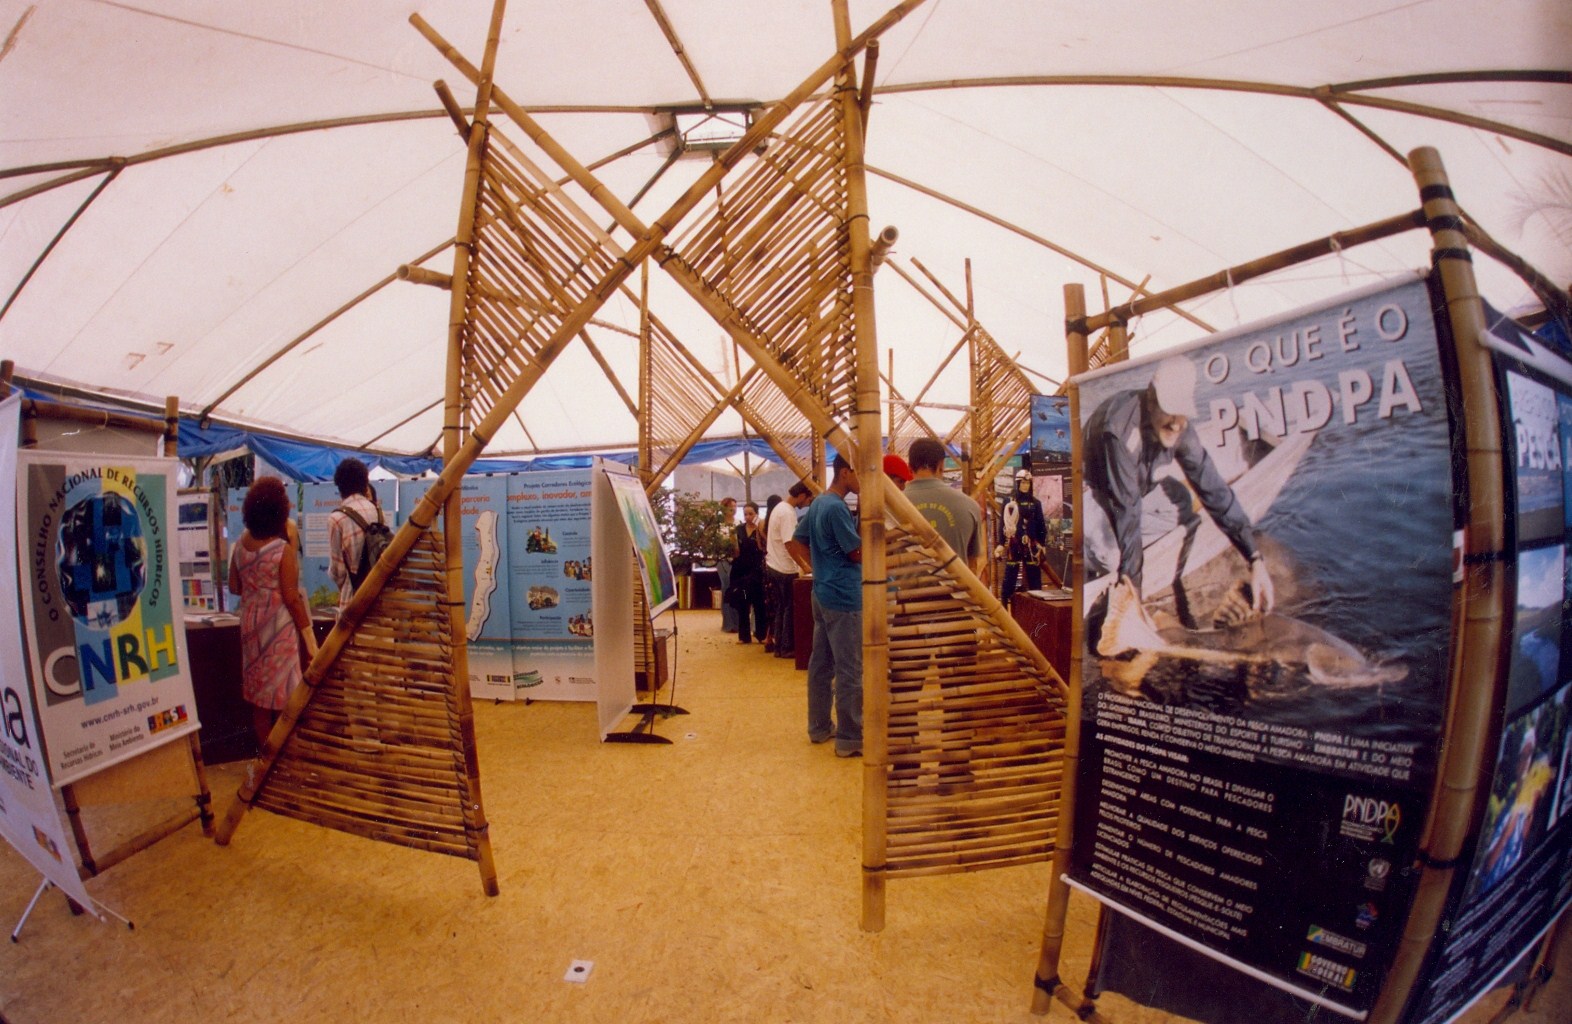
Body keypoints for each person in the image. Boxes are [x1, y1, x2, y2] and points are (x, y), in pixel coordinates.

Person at [1083, 354, 1273, 624]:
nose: (1175, 423)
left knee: (1183, 500)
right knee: (1112, 556)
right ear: (1151, 400)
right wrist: (1133, 603)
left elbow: (1212, 486)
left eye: (1181, 412)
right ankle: (1094, 555)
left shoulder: (1179, 427)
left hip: (1133, 490)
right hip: (1092, 494)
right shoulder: (1119, 430)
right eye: (1168, 410)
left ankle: (1129, 553)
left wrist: (1254, 558)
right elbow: (1127, 511)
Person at [228, 476, 319, 745]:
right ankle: (283, 755)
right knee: (285, 696)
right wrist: (310, 641)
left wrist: (257, 590)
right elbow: (291, 597)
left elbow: (234, 586)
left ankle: (266, 754)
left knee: (259, 699)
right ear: (278, 510)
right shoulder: (282, 550)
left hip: (250, 627)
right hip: (278, 630)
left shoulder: (240, 544)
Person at [787, 455, 863, 758]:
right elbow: (856, 552)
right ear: (845, 473)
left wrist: (818, 567)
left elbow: (797, 541)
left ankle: (819, 727)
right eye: (860, 473)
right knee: (850, 668)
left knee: (821, 664)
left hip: (822, 592)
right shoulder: (836, 507)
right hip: (843, 596)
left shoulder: (819, 502)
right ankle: (850, 738)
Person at [906, 437, 983, 575]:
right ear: (941, 465)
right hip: (956, 587)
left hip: (905, 588)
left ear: (909, 467)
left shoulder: (888, 508)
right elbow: (972, 563)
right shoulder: (969, 506)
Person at [326, 457, 383, 616]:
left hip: (352, 602)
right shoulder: (377, 511)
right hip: (378, 597)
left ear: (339, 486)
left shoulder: (336, 518)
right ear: (365, 484)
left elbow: (338, 571)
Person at [765, 482, 814, 659]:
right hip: (784, 567)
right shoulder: (787, 513)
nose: (807, 504)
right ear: (801, 495)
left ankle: (779, 647)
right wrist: (804, 565)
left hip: (774, 564)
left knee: (781, 608)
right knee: (788, 609)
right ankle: (786, 647)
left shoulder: (779, 508)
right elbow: (789, 544)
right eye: (808, 500)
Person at [997, 467, 1046, 602]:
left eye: (1028, 483)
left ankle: (1038, 607)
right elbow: (1003, 524)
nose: (1025, 486)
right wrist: (1000, 543)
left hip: (1031, 544)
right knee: (1010, 576)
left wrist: (1042, 544)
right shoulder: (1009, 502)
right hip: (1014, 543)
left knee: (1034, 577)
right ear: (1018, 483)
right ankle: (1004, 605)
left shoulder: (1036, 503)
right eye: (1023, 483)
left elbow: (1041, 524)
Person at [729, 501, 769, 644]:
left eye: (751, 514)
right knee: (743, 602)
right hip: (741, 570)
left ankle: (761, 634)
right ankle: (744, 636)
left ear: (756, 514)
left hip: (757, 570)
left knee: (759, 603)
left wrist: (760, 527)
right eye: (745, 514)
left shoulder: (761, 528)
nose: (748, 517)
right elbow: (734, 549)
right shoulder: (738, 529)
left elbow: (766, 545)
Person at [717, 496, 738, 633]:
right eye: (731, 507)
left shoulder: (739, 523)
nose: (733, 509)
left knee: (737, 589)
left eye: (735, 506)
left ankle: (737, 622)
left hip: (737, 559)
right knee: (726, 588)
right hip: (723, 559)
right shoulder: (718, 525)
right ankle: (728, 623)